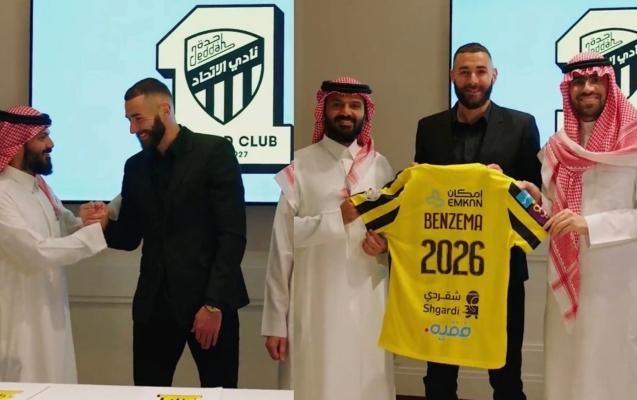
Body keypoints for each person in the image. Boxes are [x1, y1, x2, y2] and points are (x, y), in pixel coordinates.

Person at [101, 78, 249, 387]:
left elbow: (232, 235)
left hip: (208, 306)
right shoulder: (135, 167)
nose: (132, 129)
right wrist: (103, 225)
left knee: (220, 392)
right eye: (129, 120)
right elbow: (129, 237)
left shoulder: (214, 152)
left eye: (137, 118)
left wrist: (213, 304)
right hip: (154, 308)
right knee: (147, 393)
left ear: (165, 110)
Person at [414, 43, 541, 400]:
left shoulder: (521, 125)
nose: (473, 80)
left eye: (480, 71)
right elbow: (421, 197)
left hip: (502, 271)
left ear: (494, 75)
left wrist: (509, 186)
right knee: (438, 377)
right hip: (443, 272)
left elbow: (535, 199)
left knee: (506, 375)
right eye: (465, 72)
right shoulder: (429, 128)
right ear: (452, 76)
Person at [261, 77, 396, 400]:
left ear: (365, 113)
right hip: (314, 305)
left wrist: (385, 247)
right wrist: (275, 323)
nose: (345, 112)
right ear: (324, 110)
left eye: (354, 106)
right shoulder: (301, 166)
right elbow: (283, 246)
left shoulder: (381, 167)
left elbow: (395, 235)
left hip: (368, 305)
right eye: (337, 105)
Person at [540, 52, 637, 400]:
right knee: (564, 366)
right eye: (578, 81)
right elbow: (553, 210)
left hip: (618, 283)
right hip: (565, 277)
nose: (587, 88)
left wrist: (590, 225)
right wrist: (532, 198)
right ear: (568, 89)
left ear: (610, 84)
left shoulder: (635, 142)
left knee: (610, 368)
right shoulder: (557, 147)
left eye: (595, 79)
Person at [0, 106, 107, 383]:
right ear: (17, 145)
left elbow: (61, 224)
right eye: (42, 137)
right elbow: (35, 251)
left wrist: (85, 221)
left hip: (51, 313)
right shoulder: (3, 194)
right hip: (19, 320)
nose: (51, 144)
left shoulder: (40, 187)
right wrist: (93, 235)